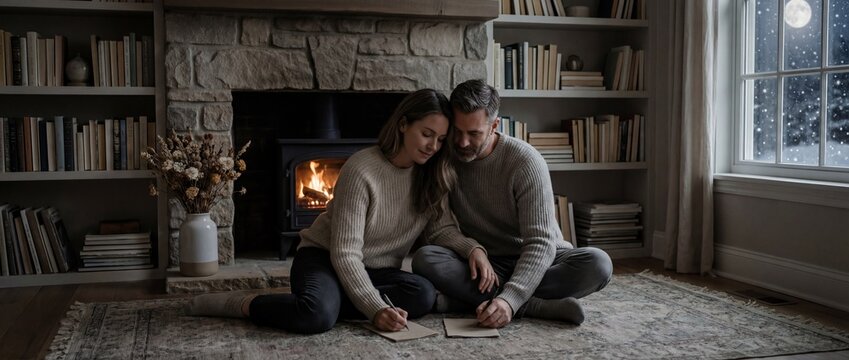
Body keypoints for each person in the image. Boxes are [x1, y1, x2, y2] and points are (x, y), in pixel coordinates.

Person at [186, 89, 483, 334]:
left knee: (422, 294)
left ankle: (331, 298)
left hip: (378, 270)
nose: (433, 146)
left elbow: (440, 230)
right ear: (403, 124)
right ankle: (247, 303)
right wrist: (375, 308)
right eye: (427, 134)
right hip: (324, 258)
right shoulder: (361, 168)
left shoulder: (432, 174)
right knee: (315, 317)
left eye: (441, 140)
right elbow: (345, 253)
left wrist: (473, 250)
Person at [412, 79, 614, 328]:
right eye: (457, 131)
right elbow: (438, 229)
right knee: (426, 259)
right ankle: (535, 306)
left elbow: (540, 243)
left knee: (598, 264)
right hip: (486, 264)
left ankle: (482, 302)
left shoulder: (525, 161)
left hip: (540, 258)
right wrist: (473, 249)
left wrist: (510, 299)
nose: (462, 143)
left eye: (474, 134)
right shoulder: (444, 157)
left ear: (494, 125)